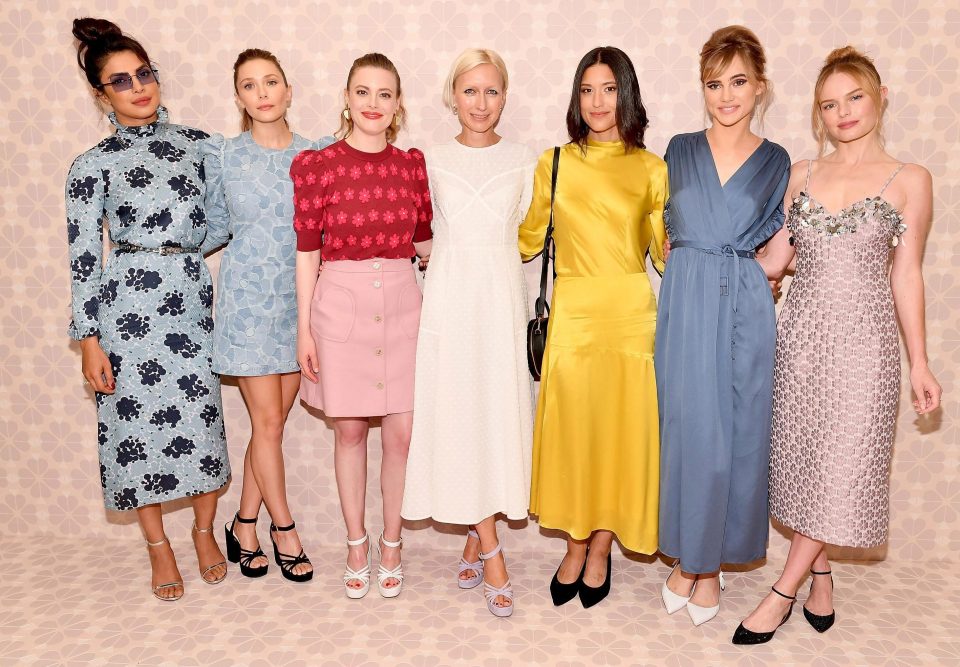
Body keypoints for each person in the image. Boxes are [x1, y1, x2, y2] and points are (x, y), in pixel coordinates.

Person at [733, 46, 942, 645]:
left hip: (866, 346)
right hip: (799, 340)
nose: (843, 112)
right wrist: (708, 260)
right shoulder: (801, 174)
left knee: (843, 465)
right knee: (803, 465)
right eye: (829, 104)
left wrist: (919, 363)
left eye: (854, 97)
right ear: (817, 115)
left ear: (880, 99)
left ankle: (782, 591)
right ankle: (820, 573)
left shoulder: (911, 180)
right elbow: (776, 260)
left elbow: (907, 274)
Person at [66, 17, 230, 601]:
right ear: (101, 93)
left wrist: (180, 251)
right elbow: (84, 256)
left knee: (201, 423)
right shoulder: (91, 165)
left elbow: (221, 221)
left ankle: (205, 531)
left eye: (144, 74)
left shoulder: (200, 144)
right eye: (121, 81)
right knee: (133, 427)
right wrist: (89, 337)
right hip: (125, 303)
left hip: (187, 296)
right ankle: (158, 547)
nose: (138, 87)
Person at [519, 46, 667, 609]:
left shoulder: (653, 169)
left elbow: (663, 253)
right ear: (576, 98)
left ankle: (600, 548)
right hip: (574, 318)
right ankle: (574, 544)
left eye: (608, 89)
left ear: (625, 94)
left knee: (621, 440)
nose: (597, 101)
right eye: (587, 90)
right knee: (577, 437)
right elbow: (529, 239)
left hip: (631, 320)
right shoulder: (553, 161)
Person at [655, 26, 790, 626]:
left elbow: (786, 239)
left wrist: (761, 276)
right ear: (702, 88)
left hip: (743, 306)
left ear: (759, 87)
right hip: (684, 301)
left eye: (738, 82)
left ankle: (707, 569)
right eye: (714, 83)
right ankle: (686, 556)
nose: (726, 95)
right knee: (686, 427)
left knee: (735, 433)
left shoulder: (780, 161)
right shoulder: (677, 149)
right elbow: (661, 231)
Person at [291, 53, 432, 599]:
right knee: (349, 431)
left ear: (398, 105)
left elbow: (425, 244)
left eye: (385, 94)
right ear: (347, 98)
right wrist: (305, 330)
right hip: (339, 302)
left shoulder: (411, 165)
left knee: (401, 433)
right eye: (363, 92)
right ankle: (356, 542)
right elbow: (307, 254)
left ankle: (391, 544)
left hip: (402, 302)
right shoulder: (317, 165)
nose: (373, 104)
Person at [401, 48, 536, 617]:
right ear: (451, 95)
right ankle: (494, 552)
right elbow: (417, 233)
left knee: (493, 416)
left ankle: (473, 538)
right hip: (450, 305)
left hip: (501, 303)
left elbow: (527, 235)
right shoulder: (425, 159)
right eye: (470, 91)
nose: (481, 104)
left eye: (492, 91)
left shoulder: (528, 159)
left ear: (505, 96)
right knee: (458, 418)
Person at [203, 49, 334, 582]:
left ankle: (244, 523)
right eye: (249, 85)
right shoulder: (224, 156)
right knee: (269, 422)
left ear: (287, 89)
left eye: (271, 81)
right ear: (238, 97)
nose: (262, 93)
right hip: (246, 301)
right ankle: (286, 530)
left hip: (299, 304)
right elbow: (211, 226)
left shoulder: (315, 155)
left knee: (270, 427)